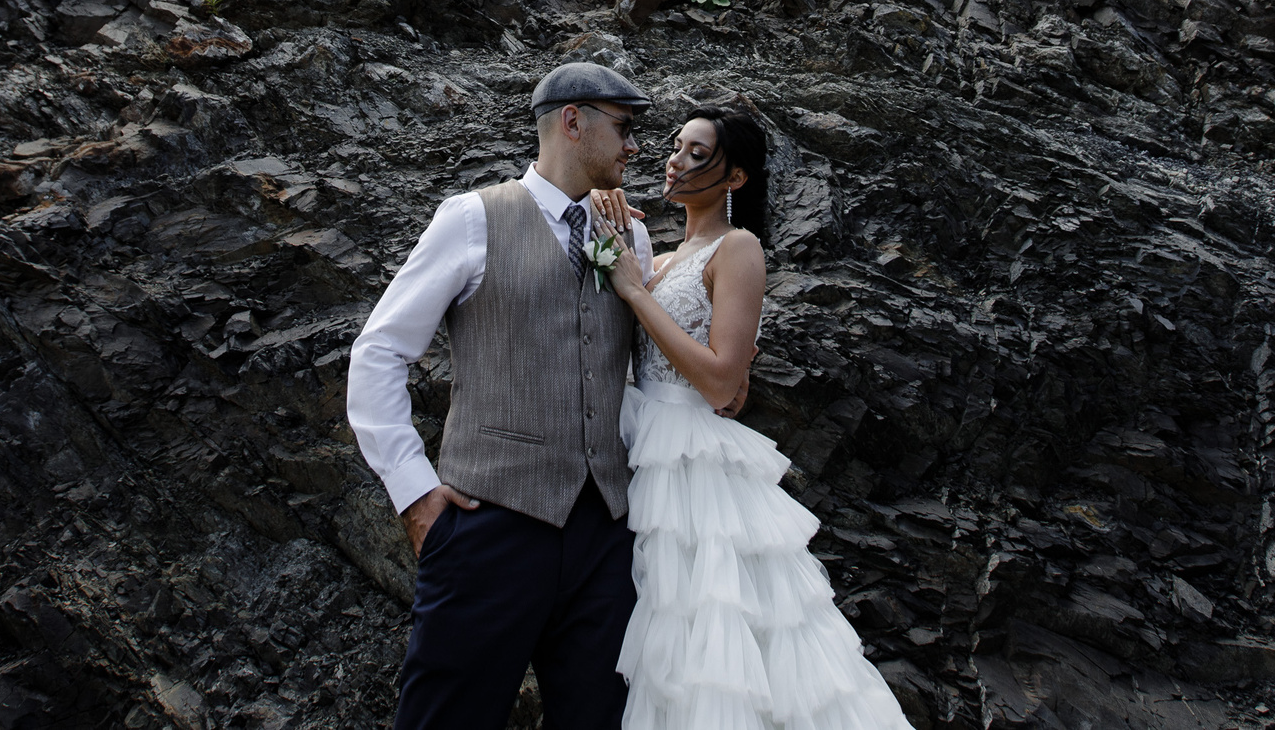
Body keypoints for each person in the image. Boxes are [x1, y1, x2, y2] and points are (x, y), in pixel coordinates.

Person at [346, 61, 658, 730]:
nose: (634, 145)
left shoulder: (630, 234)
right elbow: (379, 352)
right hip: (489, 525)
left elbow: (635, 374)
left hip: (605, 536)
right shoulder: (471, 218)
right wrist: (415, 492)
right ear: (571, 122)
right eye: (624, 127)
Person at [597, 105, 913, 730]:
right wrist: (611, 212)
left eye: (696, 153)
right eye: (676, 146)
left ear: (734, 178)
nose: (675, 159)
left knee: (709, 638)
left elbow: (718, 379)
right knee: (663, 638)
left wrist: (632, 291)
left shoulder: (738, 248)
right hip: (638, 442)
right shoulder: (658, 256)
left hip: (689, 461)